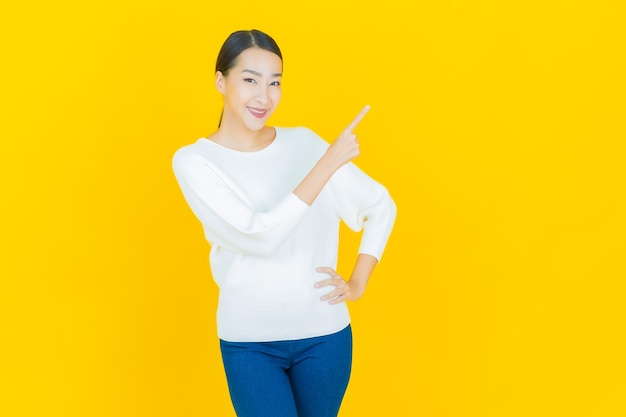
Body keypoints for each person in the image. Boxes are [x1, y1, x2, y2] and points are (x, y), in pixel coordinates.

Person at [172, 29, 396, 417]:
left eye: (275, 82)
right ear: (220, 81)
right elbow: (260, 236)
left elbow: (380, 205)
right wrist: (327, 163)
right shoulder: (195, 161)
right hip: (250, 343)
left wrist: (358, 281)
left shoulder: (306, 143)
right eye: (250, 80)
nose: (264, 96)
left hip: (325, 337)